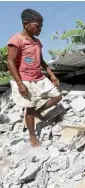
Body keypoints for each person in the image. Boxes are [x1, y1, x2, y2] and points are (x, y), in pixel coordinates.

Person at [7, 8, 62, 147]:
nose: (40, 29)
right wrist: (20, 83)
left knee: (57, 96)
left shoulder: (37, 42)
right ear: (26, 24)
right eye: (37, 26)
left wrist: (51, 73)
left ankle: (39, 111)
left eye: (41, 27)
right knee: (29, 108)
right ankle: (33, 137)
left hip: (39, 77)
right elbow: (11, 62)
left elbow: (41, 61)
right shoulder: (16, 39)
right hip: (25, 80)